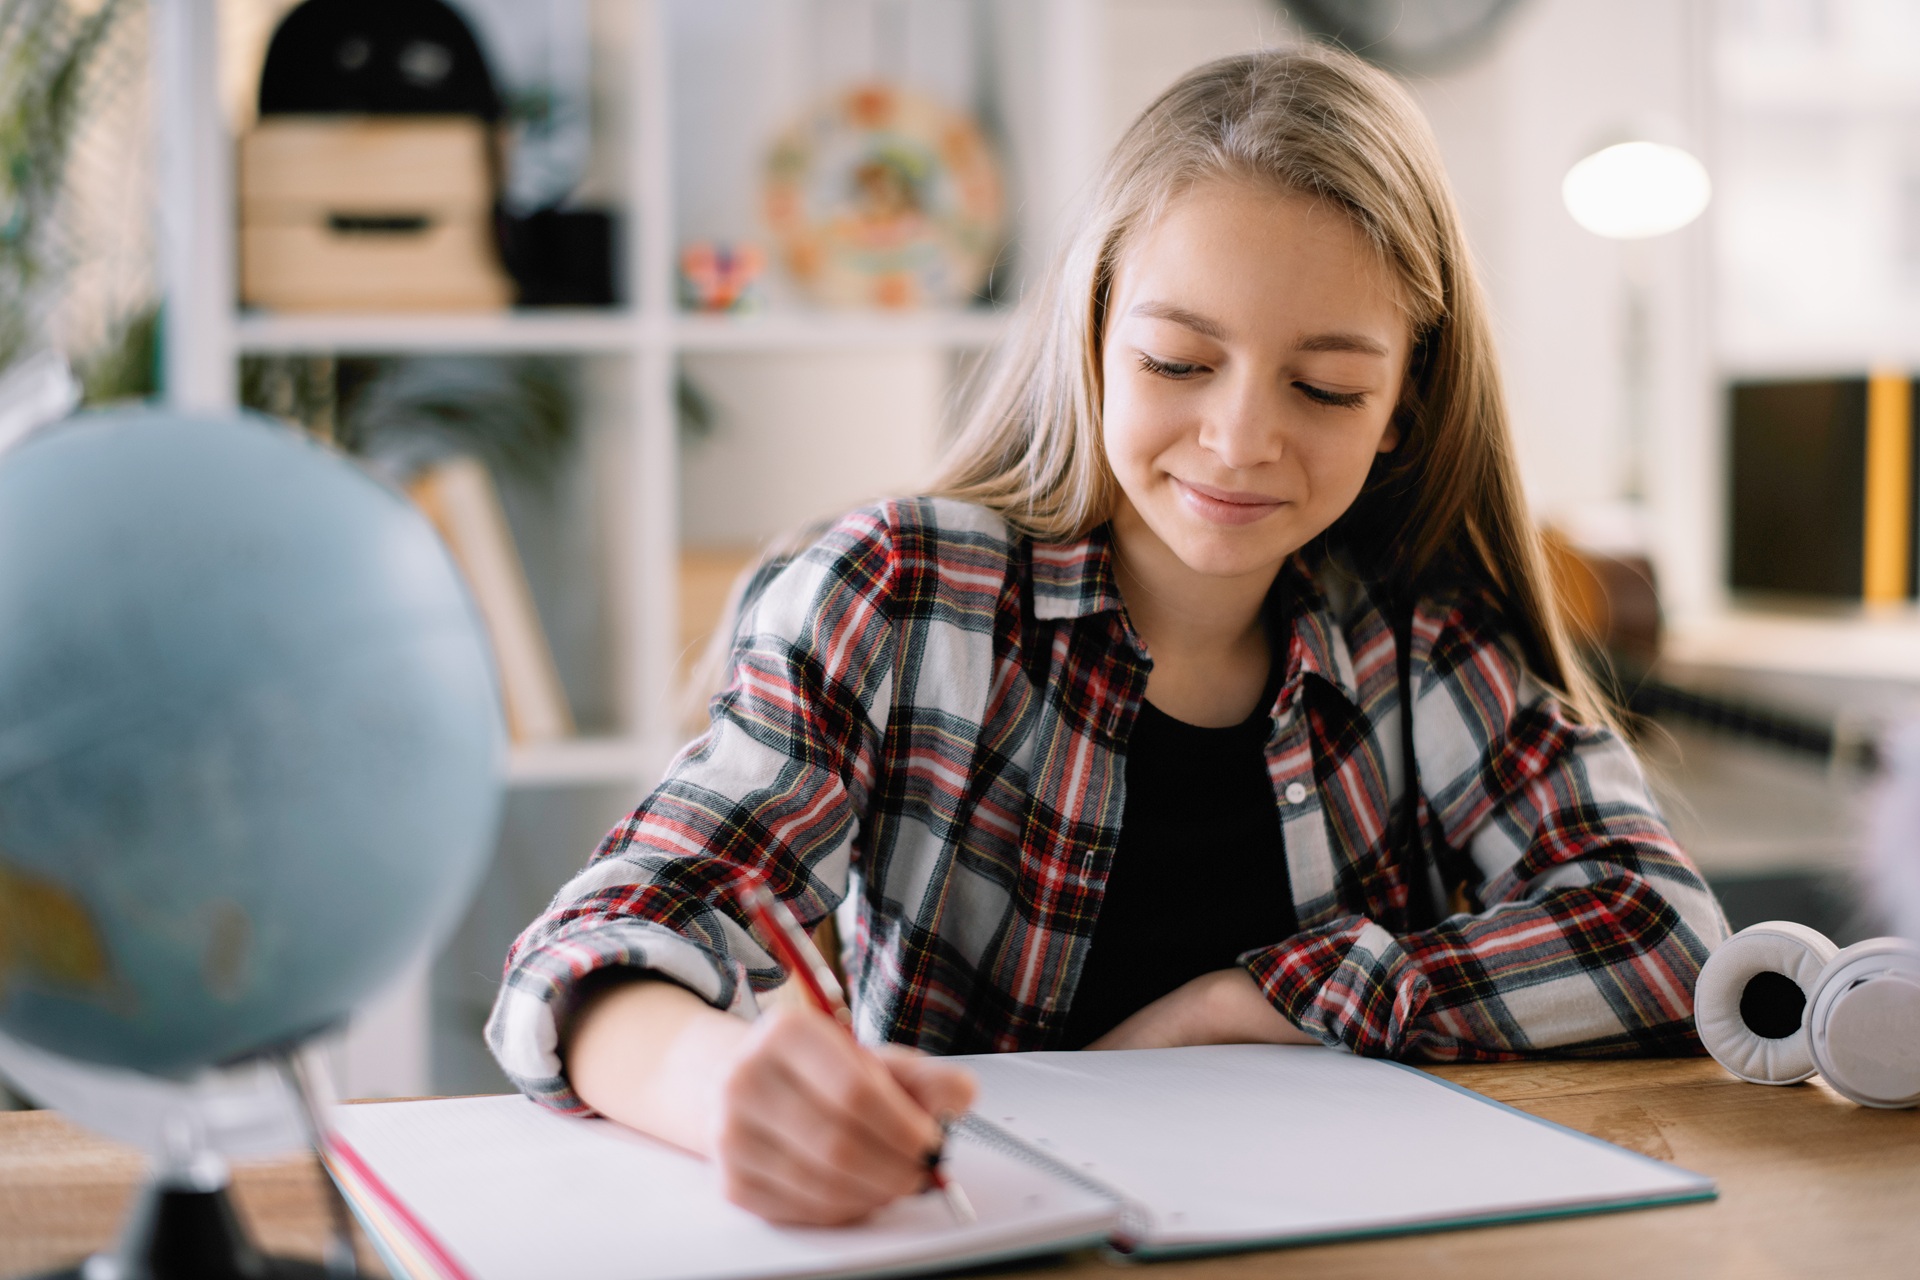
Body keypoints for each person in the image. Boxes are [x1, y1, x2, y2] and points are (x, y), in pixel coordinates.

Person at [486, 45, 1728, 1228]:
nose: (1241, 438)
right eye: (1180, 360)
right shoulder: (900, 595)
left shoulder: (1417, 641)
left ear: (1404, 404)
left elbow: (1669, 932)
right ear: (1092, 337)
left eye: (1328, 387)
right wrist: (721, 1087)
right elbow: (595, 950)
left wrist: (1252, 1006)